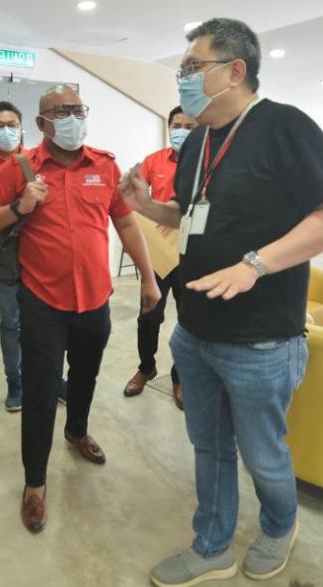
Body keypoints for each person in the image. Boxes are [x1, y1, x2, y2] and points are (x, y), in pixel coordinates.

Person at [120, 18, 323, 587]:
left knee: (262, 452)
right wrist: (147, 207)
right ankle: (213, 543)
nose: (183, 81)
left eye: (191, 68)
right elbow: (193, 217)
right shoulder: (198, 140)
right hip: (194, 333)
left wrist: (256, 265)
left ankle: (279, 525)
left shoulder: (285, 126)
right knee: (209, 448)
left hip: (261, 338)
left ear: (235, 70)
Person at [0, 84, 160, 533]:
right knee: (40, 392)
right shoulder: (21, 167)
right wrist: (21, 205)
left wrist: (149, 277)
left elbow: (126, 221)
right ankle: (35, 482)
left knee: (85, 377)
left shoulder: (105, 164)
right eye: (62, 111)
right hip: (42, 301)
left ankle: (77, 431)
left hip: (95, 299)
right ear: (41, 123)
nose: (73, 118)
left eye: (79, 109)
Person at [0, 101, 68, 412]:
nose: (6, 129)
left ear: (23, 127)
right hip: (1, 259)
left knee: (48, 324)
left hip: (40, 257)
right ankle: (15, 381)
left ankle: (53, 379)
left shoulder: (38, 161)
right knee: (12, 322)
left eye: (11, 123)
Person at [123, 106, 197, 409]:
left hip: (192, 255)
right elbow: (136, 200)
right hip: (158, 254)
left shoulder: (207, 163)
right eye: (177, 125)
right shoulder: (154, 161)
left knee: (188, 319)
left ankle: (180, 377)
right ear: (169, 128)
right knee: (148, 315)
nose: (182, 131)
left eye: (190, 127)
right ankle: (146, 367)